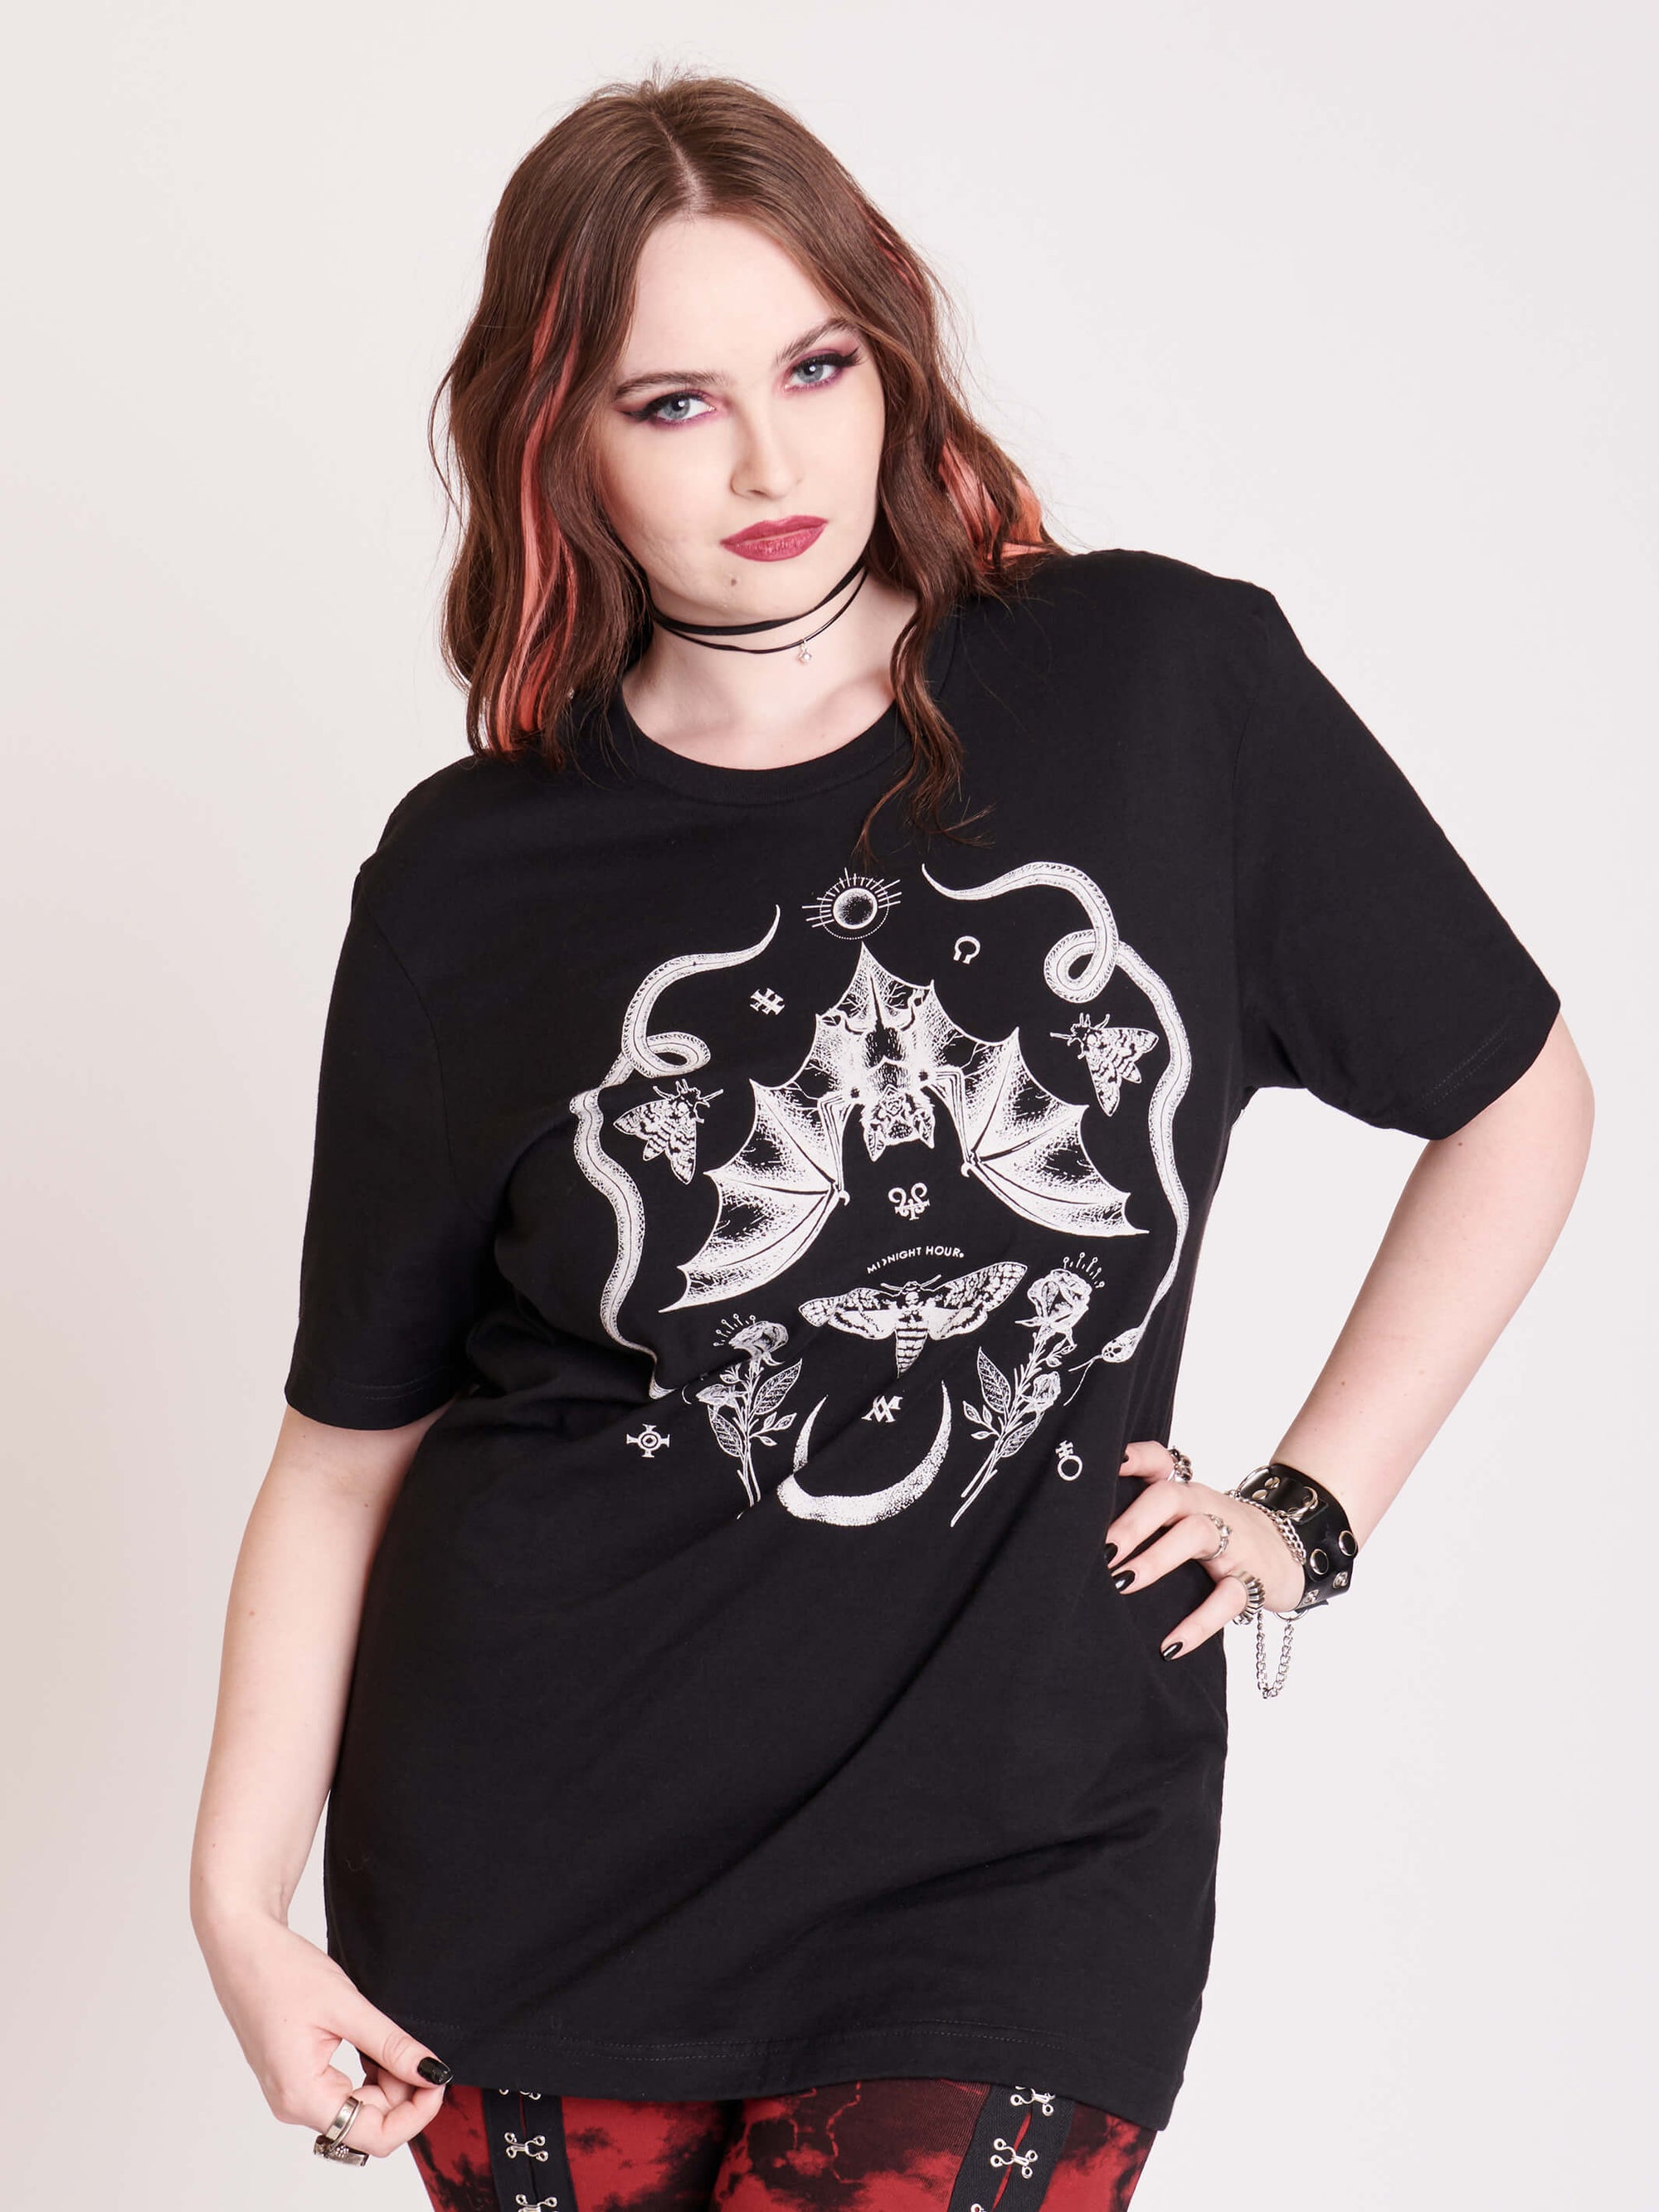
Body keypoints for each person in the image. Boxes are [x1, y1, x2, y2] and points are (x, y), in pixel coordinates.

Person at [189, 67, 1593, 2211]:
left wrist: (1311, 1508)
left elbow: (1515, 1093)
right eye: (674, 402)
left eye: (816, 366)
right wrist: (239, 1903)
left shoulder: (1157, 686)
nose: (770, 461)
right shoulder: (473, 876)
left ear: (891, 359)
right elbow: (344, 1452)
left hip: (1017, 1859)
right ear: (557, 438)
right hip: (539, 1875)